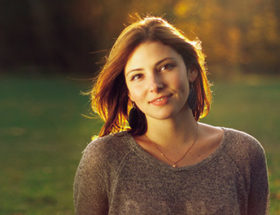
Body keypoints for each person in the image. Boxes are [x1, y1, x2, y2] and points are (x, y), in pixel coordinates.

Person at [73, 16, 269, 215]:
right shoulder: (104, 158)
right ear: (128, 91)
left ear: (191, 70)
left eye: (166, 67)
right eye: (138, 76)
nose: (155, 85)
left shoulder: (243, 153)